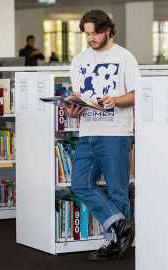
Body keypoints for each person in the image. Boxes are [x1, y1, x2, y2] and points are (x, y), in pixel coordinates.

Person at [65, 9, 138, 261]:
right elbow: (77, 96)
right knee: (80, 184)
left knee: (118, 190)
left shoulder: (125, 58)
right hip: (87, 131)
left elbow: (137, 94)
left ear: (108, 31)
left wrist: (116, 100)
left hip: (116, 132)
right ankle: (120, 225)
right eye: (87, 34)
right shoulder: (79, 61)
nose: (91, 39)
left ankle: (115, 245)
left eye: (95, 33)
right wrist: (72, 110)